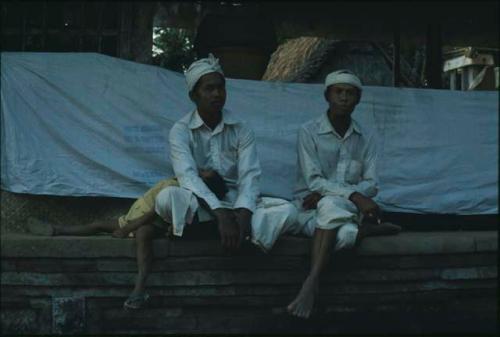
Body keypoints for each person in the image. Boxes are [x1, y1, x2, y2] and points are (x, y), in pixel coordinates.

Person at [122, 54, 297, 309]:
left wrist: (244, 214)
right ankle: (237, 237)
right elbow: (188, 177)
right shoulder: (180, 130)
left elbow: (250, 176)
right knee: (167, 198)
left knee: (288, 210)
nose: (217, 94)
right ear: (194, 95)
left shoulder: (241, 128)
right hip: (201, 205)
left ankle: (232, 234)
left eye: (220, 87)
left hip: (234, 204)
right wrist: (220, 215)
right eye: (209, 88)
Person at [286, 70, 401, 319]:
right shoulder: (308, 131)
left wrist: (336, 194)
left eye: (350, 94)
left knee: (330, 205)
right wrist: (354, 196)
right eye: (338, 92)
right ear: (327, 96)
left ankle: (310, 283)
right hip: (310, 208)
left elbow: (371, 183)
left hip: (341, 208)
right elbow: (313, 180)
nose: (344, 98)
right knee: (347, 236)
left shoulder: (366, 137)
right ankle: (366, 230)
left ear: (357, 100)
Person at [26, 169, 228, 239]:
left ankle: (57, 230)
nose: (199, 171)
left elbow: (154, 214)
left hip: (140, 223)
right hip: (133, 217)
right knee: (98, 224)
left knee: (99, 225)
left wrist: (128, 228)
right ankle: (55, 230)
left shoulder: (180, 195)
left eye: (203, 174)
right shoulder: (179, 183)